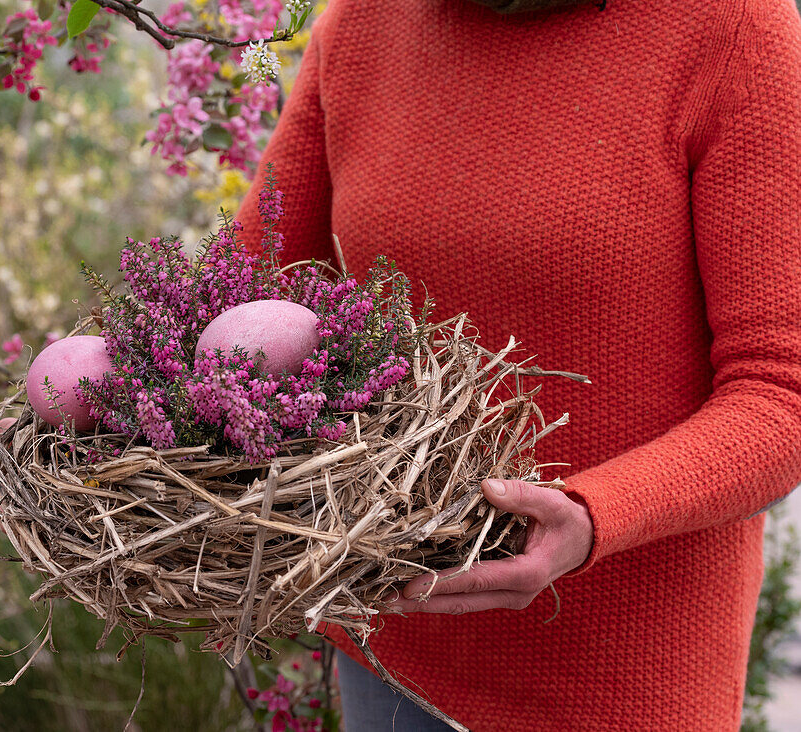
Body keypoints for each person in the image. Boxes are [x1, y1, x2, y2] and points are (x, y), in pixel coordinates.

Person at [232, 0, 801, 728]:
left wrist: (597, 514)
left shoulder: (731, 26)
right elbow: (243, 293)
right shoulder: (365, 21)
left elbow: (779, 393)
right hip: (393, 650)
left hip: (620, 678)